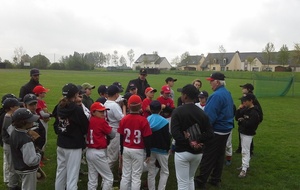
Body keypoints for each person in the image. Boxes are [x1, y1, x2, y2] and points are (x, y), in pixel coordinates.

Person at [195, 72, 234, 189]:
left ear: (217, 82)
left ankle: (200, 182)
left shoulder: (216, 95)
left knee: (208, 157)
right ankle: (215, 179)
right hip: (226, 130)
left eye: (211, 81)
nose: (210, 83)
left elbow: (209, 117)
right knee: (219, 156)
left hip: (217, 131)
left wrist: (202, 133)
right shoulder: (227, 92)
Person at [171, 84, 214, 190]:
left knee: (182, 182)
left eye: (182, 94)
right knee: (190, 179)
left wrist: (189, 142)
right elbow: (210, 133)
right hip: (197, 152)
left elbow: (175, 133)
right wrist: (198, 141)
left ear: (185, 96)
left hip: (182, 151)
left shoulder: (178, 111)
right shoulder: (202, 113)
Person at [53, 83, 89, 190]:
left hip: (62, 142)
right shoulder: (76, 109)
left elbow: (56, 123)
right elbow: (85, 126)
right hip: (74, 145)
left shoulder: (59, 106)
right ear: (76, 94)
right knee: (72, 176)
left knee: (61, 172)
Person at [118, 95, 152, 190]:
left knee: (126, 175)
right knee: (136, 176)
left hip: (126, 148)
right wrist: (148, 153)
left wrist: (121, 151)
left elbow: (121, 137)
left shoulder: (124, 119)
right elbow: (147, 138)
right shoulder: (143, 120)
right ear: (140, 106)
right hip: (138, 149)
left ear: (128, 106)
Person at [86, 102, 116, 190]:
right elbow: (113, 134)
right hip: (98, 152)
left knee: (92, 178)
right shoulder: (101, 121)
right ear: (93, 112)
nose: (103, 113)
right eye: (100, 111)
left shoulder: (89, 120)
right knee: (109, 178)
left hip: (89, 151)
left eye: (104, 111)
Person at [10, 108, 42, 190]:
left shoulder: (14, 132)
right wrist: (39, 154)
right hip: (27, 170)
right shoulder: (25, 139)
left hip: (19, 166)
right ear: (23, 122)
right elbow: (31, 161)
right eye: (30, 120)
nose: (32, 122)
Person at [147, 100, 171, 190]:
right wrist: (168, 147)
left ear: (150, 109)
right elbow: (167, 137)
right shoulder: (164, 121)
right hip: (162, 149)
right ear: (160, 109)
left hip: (150, 149)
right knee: (165, 171)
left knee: (151, 172)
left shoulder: (147, 120)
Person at [235, 93, 260, 178]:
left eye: (245, 101)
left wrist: (242, 121)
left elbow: (251, 124)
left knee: (245, 151)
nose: (243, 102)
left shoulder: (254, 112)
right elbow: (237, 117)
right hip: (242, 132)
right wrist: (239, 109)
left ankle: (244, 169)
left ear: (251, 101)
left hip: (248, 134)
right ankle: (245, 165)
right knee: (245, 150)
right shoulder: (245, 109)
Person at [235, 83, 263, 155]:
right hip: (245, 117)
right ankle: (241, 148)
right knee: (242, 132)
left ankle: (249, 150)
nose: (242, 89)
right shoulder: (245, 97)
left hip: (251, 118)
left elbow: (257, 110)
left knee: (248, 134)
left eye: (244, 88)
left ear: (249, 89)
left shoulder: (251, 98)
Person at [1, 98, 22, 189]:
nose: (19, 107)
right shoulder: (8, 118)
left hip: (12, 144)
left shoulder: (11, 116)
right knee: (13, 167)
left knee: (15, 165)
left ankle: (15, 183)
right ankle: (13, 186)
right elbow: (13, 134)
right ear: (11, 108)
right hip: (10, 145)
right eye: (17, 106)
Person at [104, 85, 124, 175]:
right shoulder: (114, 105)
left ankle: (106, 176)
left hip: (108, 128)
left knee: (110, 154)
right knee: (112, 158)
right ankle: (106, 179)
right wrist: (123, 108)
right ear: (116, 94)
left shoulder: (106, 103)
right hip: (115, 131)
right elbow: (122, 119)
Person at [23, 93, 46, 166]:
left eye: (35, 104)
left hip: (36, 148)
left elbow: (42, 131)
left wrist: (39, 147)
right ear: (24, 105)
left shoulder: (35, 115)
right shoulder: (22, 118)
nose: (33, 107)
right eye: (31, 105)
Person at [33, 85, 51, 158]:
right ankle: (39, 156)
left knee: (44, 139)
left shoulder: (42, 101)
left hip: (44, 121)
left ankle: (42, 156)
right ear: (39, 93)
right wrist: (51, 114)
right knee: (42, 139)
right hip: (41, 121)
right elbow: (42, 114)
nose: (45, 94)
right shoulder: (38, 101)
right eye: (44, 92)